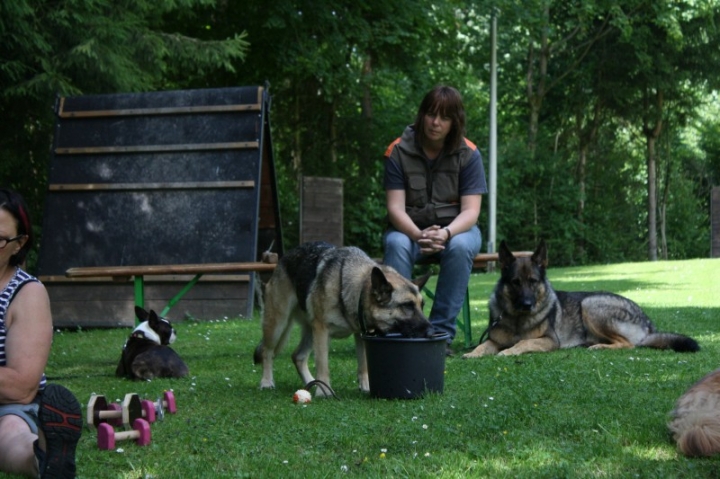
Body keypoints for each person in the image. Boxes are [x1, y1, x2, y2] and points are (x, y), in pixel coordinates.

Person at [383, 85, 488, 356]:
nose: (435, 122)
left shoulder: (469, 154)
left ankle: (440, 335)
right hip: (410, 231)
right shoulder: (397, 151)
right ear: (421, 115)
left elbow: (471, 212)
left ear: (455, 121)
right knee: (395, 243)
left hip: (457, 231)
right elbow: (395, 209)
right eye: (430, 114)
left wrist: (447, 234)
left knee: (462, 246)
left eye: (444, 117)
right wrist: (419, 235)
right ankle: (397, 330)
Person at [0, 188, 82, 478]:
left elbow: (21, 387)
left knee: (10, 433)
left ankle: (44, 458)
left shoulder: (26, 293)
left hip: (9, 407)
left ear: (18, 243)